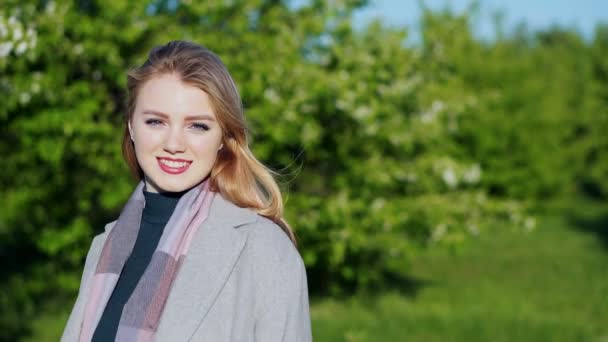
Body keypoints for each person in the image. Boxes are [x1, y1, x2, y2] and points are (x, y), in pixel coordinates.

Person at [62, 40, 312, 342]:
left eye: (198, 126)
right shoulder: (105, 246)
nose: (174, 144)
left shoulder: (263, 249)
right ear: (130, 126)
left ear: (223, 136)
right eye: (156, 121)